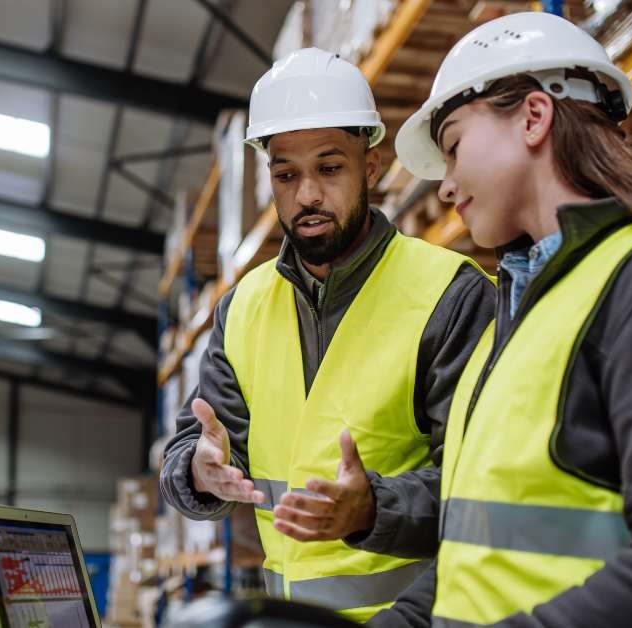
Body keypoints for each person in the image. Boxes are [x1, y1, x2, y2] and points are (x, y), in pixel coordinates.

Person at [368, 11, 632, 626]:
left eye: (454, 147)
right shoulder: (515, 322)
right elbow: (473, 552)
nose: (448, 187)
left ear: (534, 118)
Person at [159, 47, 495, 624]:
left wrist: (374, 509)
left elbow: (486, 487)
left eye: (330, 167)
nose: (307, 195)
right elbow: (191, 446)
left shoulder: (452, 294)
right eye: (286, 175)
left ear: (370, 165)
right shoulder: (241, 308)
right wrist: (198, 470)